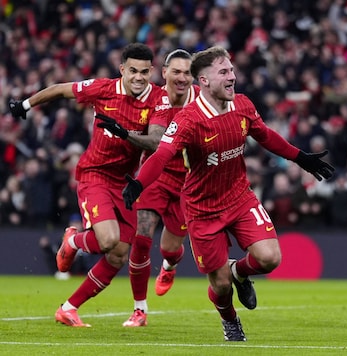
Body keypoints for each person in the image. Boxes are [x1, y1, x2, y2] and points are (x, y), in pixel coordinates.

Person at [121, 46, 334, 341]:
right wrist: (139, 183)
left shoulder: (243, 105)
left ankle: (239, 272)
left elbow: (266, 136)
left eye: (231, 70)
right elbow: (161, 154)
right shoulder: (189, 119)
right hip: (202, 208)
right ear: (204, 81)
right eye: (224, 72)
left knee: (270, 258)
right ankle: (230, 320)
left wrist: (301, 158)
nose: (232, 76)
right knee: (220, 287)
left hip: (239, 197)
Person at [9, 42, 172, 327]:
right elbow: (61, 88)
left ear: (151, 72)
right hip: (94, 174)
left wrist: (125, 133)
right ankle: (72, 240)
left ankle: (69, 308)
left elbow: (157, 140)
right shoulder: (103, 88)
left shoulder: (159, 99)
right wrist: (26, 104)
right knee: (108, 240)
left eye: (144, 72)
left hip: (124, 182)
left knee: (120, 253)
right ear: (122, 69)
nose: (138, 77)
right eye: (132, 70)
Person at [124, 49, 200, 327]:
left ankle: (169, 266)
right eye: (176, 72)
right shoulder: (154, 98)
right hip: (155, 175)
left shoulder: (200, 102)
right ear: (164, 71)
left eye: (187, 73)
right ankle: (139, 309)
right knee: (142, 237)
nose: (182, 78)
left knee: (170, 249)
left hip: (187, 182)